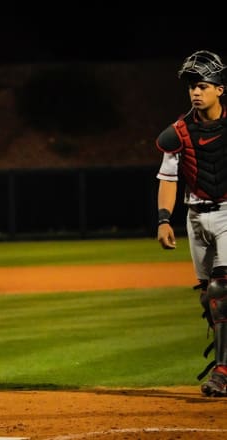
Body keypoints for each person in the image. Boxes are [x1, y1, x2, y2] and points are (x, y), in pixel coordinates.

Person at [155, 49, 227, 397]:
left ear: (220, 89)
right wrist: (164, 220)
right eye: (191, 87)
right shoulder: (178, 133)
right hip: (195, 214)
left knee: (221, 291)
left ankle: (223, 372)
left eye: (202, 85)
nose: (195, 92)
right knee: (207, 298)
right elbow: (168, 178)